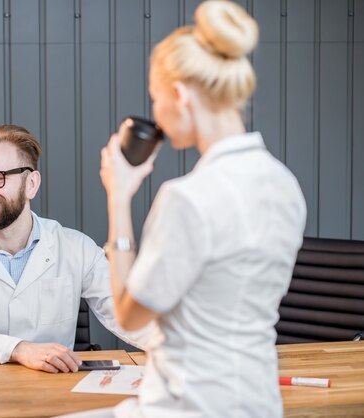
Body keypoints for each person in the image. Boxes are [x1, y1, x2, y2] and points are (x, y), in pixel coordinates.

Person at [63, 1, 307, 417]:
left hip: (188, 404)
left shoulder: (187, 197)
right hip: (258, 401)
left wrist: (119, 197)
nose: (157, 112)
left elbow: (131, 315)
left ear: (179, 96)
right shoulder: (285, 184)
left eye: (156, 98)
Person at [0, 125, 151, 373]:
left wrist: (182, 347)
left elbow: (125, 316)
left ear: (31, 184)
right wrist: (19, 349)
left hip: (53, 389)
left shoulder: (76, 248)